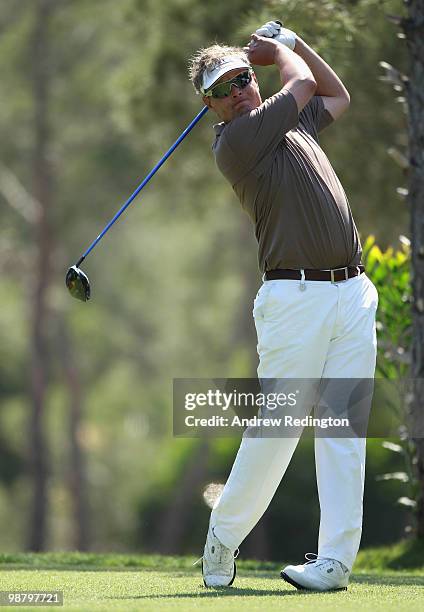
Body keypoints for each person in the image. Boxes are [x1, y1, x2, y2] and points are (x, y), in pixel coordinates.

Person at [188, 21, 378, 591]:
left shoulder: (289, 126)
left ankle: (335, 561)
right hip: (295, 298)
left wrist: (297, 43)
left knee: (343, 431)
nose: (241, 89)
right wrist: (282, 52)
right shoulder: (238, 142)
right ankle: (222, 538)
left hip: (351, 291)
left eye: (245, 77)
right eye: (226, 87)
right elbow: (297, 85)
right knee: (278, 428)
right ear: (212, 105)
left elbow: (335, 94)